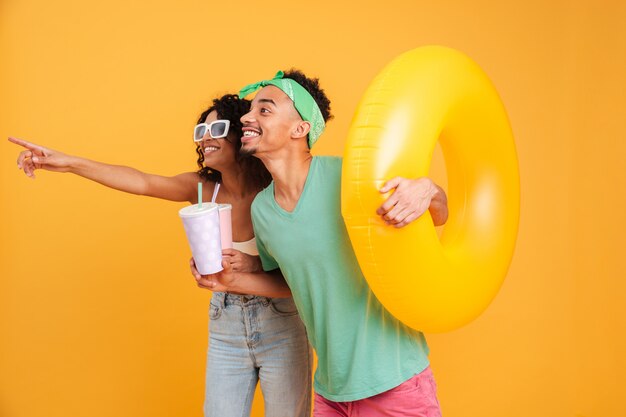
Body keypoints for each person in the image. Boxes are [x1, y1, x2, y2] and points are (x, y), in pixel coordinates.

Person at [9, 94, 312, 417]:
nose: (205, 138)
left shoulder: (276, 189)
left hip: (283, 324)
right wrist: (68, 163)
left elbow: (301, 271)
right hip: (226, 322)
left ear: (242, 132)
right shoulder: (201, 188)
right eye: (200, 132)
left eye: (216, 128)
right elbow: (142, 181)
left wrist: (253, 266)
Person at [193, 71, 448, 416]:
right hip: (331, 391)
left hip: (394, 383)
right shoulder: (263, 210)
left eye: (264, 110)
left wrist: (428, 190)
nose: (247, 118)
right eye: (249, 110)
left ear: (300, 129)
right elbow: (288, 282)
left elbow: (439, 212)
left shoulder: (348, 179)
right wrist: (230, 281)